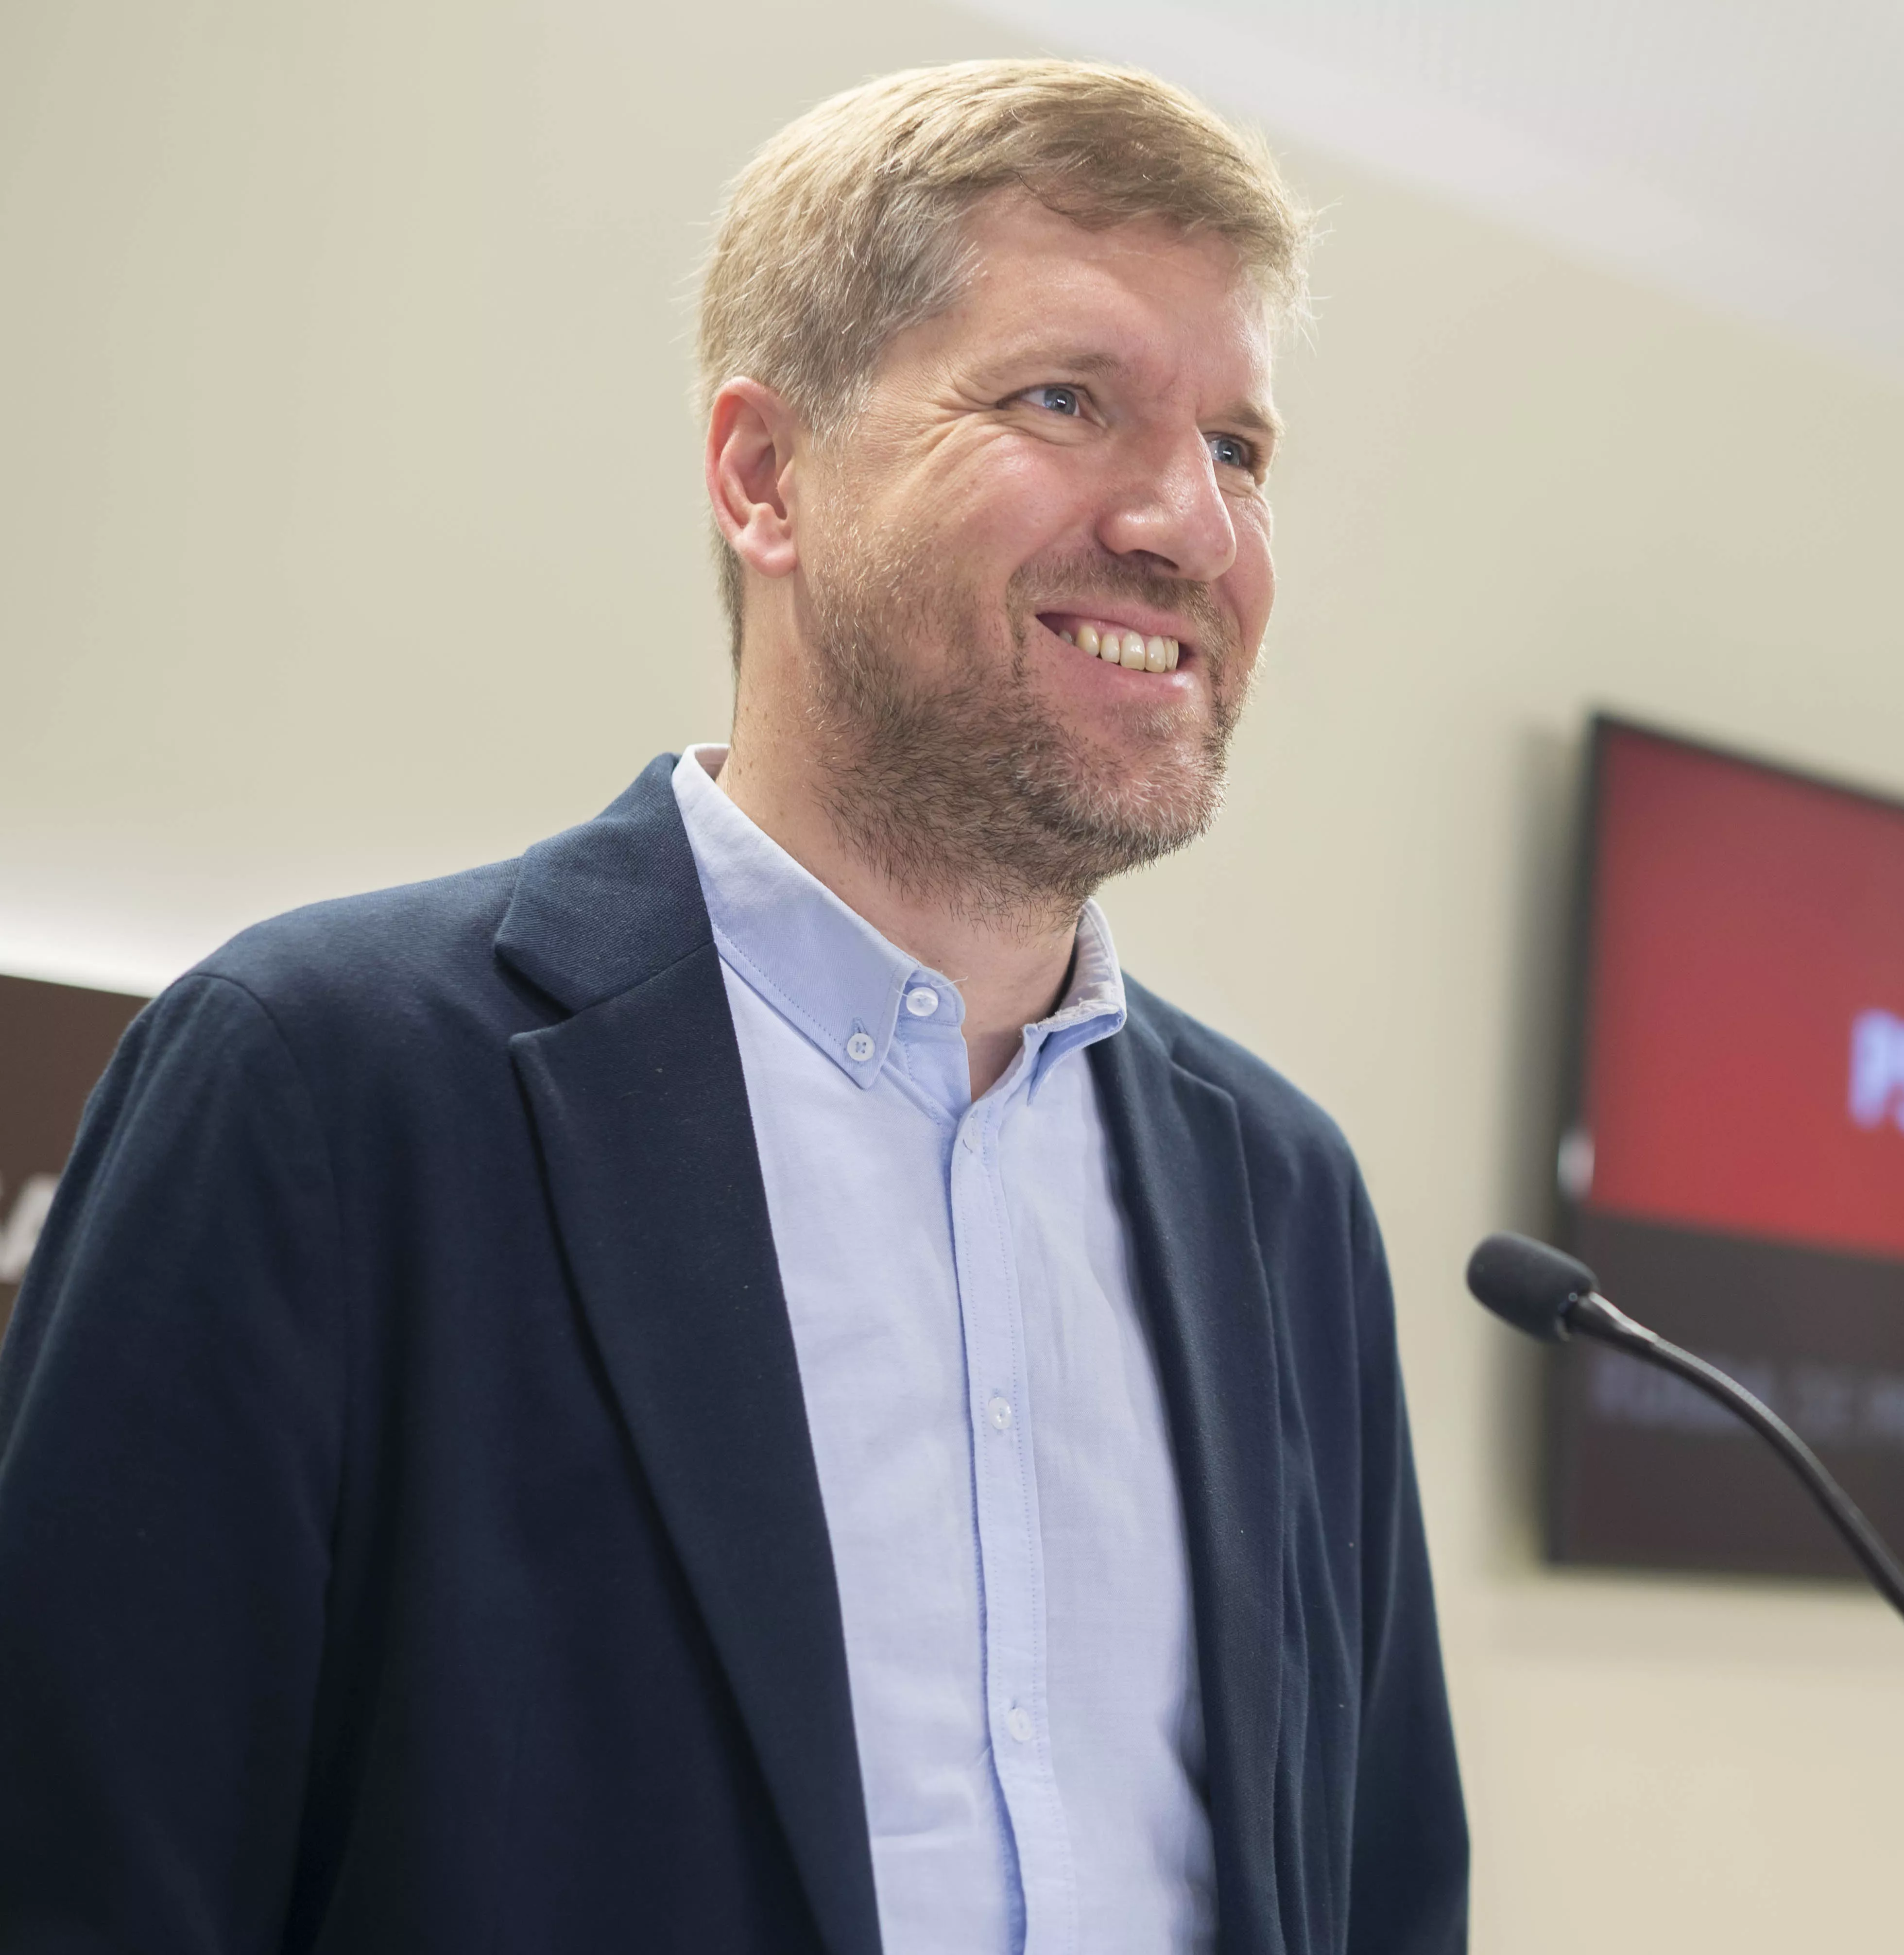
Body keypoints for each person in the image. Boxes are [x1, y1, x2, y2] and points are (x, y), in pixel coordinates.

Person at [0, 60, 1466, 1955]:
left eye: (1243, 448)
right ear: (765, 475)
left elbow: (1381, 1893)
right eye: (1066, 400)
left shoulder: (1284, 1198)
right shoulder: (317, 1086)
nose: (1189, 524)